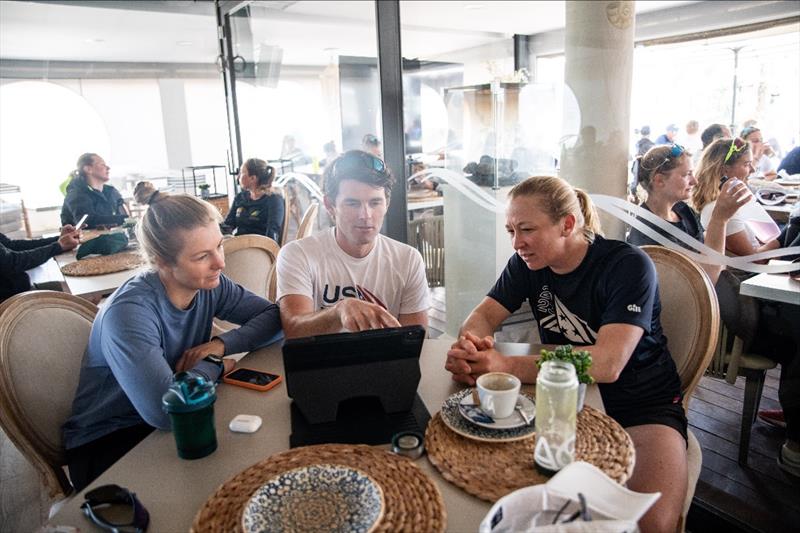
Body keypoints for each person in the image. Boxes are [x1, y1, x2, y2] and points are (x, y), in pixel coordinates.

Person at [445, 176, 688, 532]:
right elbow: (482, 316)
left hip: (642, 404)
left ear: (568, 224)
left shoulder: (627, 265)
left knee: (648, 525)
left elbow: (608, 364)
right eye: (511, 230)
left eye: (526, 229)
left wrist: (506, 364)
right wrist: (471, 347)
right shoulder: (528, 264)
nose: (516, 243)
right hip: (558, 400)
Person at [62, 193, 282, 491]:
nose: (220, 262)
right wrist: (215, 364)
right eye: (202, 256)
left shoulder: (208, 285)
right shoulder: (129, 313)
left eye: (219, 245)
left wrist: (221, 344)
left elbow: (275, 319)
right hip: (110, 441)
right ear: (160, 262)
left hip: (179, 414)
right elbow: (164, 410)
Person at [276, 149, 429, 338]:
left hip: (384, 363)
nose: (365, 215)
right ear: (330, 205)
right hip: (322, 364)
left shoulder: (408, 259)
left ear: (387, 203)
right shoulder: (298, 254)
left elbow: (415, 340)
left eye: (375, 203)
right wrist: (338, 312)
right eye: (352, 204)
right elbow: (293, 329)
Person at [627, 144, 752, 283]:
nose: (695, 181)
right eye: (687, 174)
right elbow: (705, 280)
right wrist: (720, 219)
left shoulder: (683, 211)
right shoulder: (648, 230)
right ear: (659, 180)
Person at [692, 137, 780, 257]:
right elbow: (755, 260)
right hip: (751, 273)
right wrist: (780, 241)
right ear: (725, 170)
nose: (753, 170)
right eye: (747, 164)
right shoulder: (722, 209)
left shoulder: (729, 203)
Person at [1, 225, 81, 301]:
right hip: (10, 303)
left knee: (75, 289)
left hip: (20, 290)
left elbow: (12, 246)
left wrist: (59, 240)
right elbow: (12, 262)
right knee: (81, 295)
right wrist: (58, 246)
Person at [222, 158, 284, 242]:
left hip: (260, 248)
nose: (238, 177)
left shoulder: (274, 199)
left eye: (242, 173)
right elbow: (228, 225)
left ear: (253, 178)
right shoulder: (240, 197)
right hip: (240, 245)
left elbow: (272, 233)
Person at [61, 153, 129, 228]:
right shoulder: (76, 193)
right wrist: (124, 219)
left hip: (116, 237)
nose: (108, 168)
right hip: (88, 239)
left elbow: (124, 212)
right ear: (88, 169)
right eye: (102, 164)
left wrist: (128, 220)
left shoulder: (111, 191)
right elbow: (87, 222)